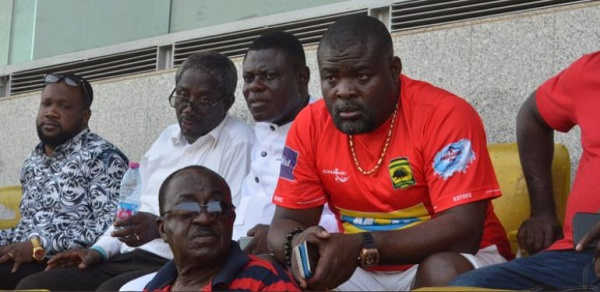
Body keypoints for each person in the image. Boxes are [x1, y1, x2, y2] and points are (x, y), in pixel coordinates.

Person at [266, 15, 513, 291]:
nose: (344, 91)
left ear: (393, 69)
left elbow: (464, 232)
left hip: (457, 259)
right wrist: (297, 243)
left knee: (441, 269)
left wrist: (364, 244)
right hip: (361, 267)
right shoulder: (310, 124)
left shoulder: (445, 115)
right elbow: (285, 222)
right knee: (278, 273)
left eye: (361, 77)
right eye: (331, 79)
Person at [16, 52, 254, 291]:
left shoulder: (238, 142)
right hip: (128, 256)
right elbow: (128, 211)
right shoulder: (166, 138)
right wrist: (98, 251)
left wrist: (163, 228)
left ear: (227, 102)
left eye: (203, 99)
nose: (188, 108)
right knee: (34, 285)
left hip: (178, 264)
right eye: (182, 95)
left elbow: (225, 223)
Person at [450, 52, 600, 290]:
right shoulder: (590, 70)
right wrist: (542, 212)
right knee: (468, 285)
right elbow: (533, 115)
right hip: (572, 256)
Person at [0, 73, 128, 289]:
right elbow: (27, 228)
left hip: (72, 263)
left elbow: (111, 227)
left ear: (85, 116)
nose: (51, 112)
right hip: (28, 260)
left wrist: (36, 246)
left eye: (64, 106)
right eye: (46, 104)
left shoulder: (103, 157)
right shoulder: (33, 161)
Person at [233, 31, 338, 254]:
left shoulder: (330, 128)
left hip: (290, 257)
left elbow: (341, 217)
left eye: (268, 76)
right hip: (235, 251)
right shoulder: (258, 128)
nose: (254, 87)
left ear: (302, 78)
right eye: (249, 78)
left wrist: (279, 236)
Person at [143, 165, 299, 291]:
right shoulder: (154, 286)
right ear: (163, 229)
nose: (204, 219)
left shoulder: (265, 281)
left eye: (216, 207)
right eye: (188, 208)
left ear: (232, 218)